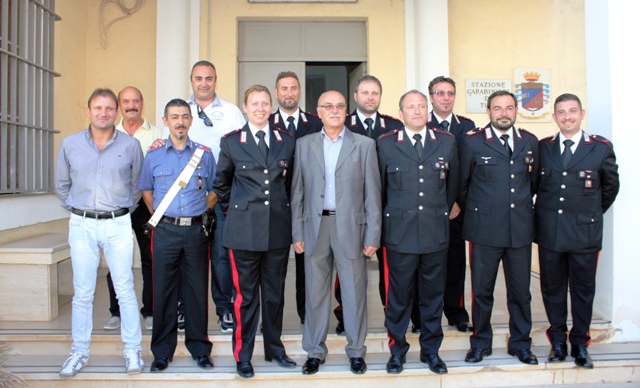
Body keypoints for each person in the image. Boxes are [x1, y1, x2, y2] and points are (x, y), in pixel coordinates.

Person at [291, 90, 382, 375]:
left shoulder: (364, 145)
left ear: (347, 111)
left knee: (354, 293)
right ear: (317, 112)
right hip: (315, 228)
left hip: (351, 228)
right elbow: (297, 192)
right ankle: (315, 352)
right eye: (328, 106)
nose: (334, 110)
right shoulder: (304, 145)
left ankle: (356, 351)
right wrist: (297, 231)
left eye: (339, 106)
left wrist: (373, 235)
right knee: (315, 294)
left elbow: (373, 195)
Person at [55, 88, 144, 377]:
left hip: (117, 223)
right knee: (82, 293)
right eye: (98, 108)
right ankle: (79, 353)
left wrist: (120, 210)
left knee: (125, 288)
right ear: (89, 110)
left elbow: (135, 187)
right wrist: (79, 209)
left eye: (109, 108)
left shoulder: (130, 145)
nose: (103, 113)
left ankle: (132, 350)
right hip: (81, 224)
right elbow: (62, 185)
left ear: (116, 112)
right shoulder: (70, 145)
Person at [214, 85, 297, 378]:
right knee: (245, 298)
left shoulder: (285, 140)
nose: (260, 108)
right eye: (255, 103)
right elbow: (221, 185)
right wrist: (238, 213)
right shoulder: (232, 142)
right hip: (243, 233)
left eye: (265, 103)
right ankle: (243, 356)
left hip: (277, 231)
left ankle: (274, 349)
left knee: (274, 295)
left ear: (270, 107)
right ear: (245, 107)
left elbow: (289, 185)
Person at [157, 60, 245, 333]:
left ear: (215, 80)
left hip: (222, 195)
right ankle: (183, 307)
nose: (204, 83)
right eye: (198, 78)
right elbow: (165, 145)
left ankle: (224, 307)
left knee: (221, 255)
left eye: (209, 78)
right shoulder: (179, 110)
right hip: (188, 198)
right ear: (191, 81)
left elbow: (243, 149)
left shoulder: (230, 112)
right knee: (188, 256)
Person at [377, 90, 459, 375]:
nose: (417, 111)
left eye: (421, 106)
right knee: (398, 297)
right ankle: (397, 351)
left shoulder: (446, 142)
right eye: (410, 107)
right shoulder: (386, 144)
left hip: (435, 232)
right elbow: (379, 191)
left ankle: (431, 351)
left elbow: (452, 186)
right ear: (400, 113)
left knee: (432, 296)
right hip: (399, 233)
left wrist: (439, 213)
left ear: (429, 109)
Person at [535, 93, 619, 369]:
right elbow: (535, 185)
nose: (567, 117)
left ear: (582, 114)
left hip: (584, 234)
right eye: (561, 112)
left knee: (583, 290)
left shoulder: (600, 147)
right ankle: (558, 341)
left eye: (572, 111)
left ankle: (580, 343)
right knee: (552, 289)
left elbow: (609, 189)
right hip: (550, 232)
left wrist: (589, 215)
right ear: (554, 117)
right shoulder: (543, 147)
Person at [458, 90, 539, 365]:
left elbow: (534, 183)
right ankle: (481, 343)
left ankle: (521, 343)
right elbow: (462, 185)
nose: (503, 112)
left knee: (521, 293)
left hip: (519, 230)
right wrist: (484, 210)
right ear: (488, 112)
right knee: (482, 291)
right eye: (497, 108)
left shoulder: (529, 142)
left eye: (509, 107)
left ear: (516, 111)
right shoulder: (473, 142)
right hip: (484, 231)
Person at [139, 98, 216, 372]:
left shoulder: (205, 155)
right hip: (165, 232)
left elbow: (214, 190)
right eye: (174, 117)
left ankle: (200, 349)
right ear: (165, 121)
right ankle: (161, 352)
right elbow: (146, 191)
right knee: (164, 291)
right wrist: (162, 216)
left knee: (197, 291)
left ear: (191, 121)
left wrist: (197, 212)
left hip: (196, 231)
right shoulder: (154, 155)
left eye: (185, 116)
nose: (180, 121)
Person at [334, 74, 403, 335]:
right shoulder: (342, 124)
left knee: (391, 266)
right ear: (355, 96)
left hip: (388, 206)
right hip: (350, 208)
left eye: (375, 93)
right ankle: (344, 314)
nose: (370, 97)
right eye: (365, 92)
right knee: (347, 264)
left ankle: (392, 313)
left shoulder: (394, 125)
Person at [103, 86, 162, 332]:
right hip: (117, 207)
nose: (131, 105)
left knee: (150, 260)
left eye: (135, 101)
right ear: (119, 106)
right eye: (126, 101)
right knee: (116, 262)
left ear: (142, 103)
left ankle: (149, 311)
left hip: (145, 206)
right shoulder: (108, 134)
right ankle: (116, 312)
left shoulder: (158, 134)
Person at [269, 71, 322, 324]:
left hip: (309, 203)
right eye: (283, 88)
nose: (289, 93)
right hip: (276, 205)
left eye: (293, 88)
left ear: (299, 91)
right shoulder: (266, 123)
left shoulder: (315, 123)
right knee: (273, 267)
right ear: (276, 92)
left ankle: (307, 314)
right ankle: (271, 318)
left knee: (308, 264)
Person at [426, 76, 475, 333]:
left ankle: (456, 312)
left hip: (455, 209)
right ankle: (423, 314)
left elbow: (467, 168)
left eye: (450, 93)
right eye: (440, 93)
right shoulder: (421, 124)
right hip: (428, 207)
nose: (445, 97)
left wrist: (456, 201)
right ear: (431, 97)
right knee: (426, 265)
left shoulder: (467, 126)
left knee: (455, 262)